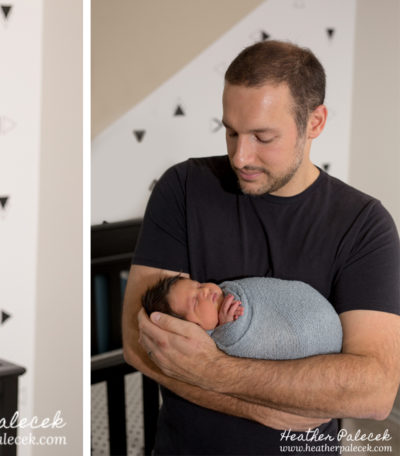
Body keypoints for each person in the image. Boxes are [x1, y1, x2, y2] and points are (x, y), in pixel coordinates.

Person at [121, 39, 400, 454]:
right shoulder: (184, 188)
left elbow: (374, 392)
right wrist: (256, 406)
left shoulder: (364, 225)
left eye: (262, 136)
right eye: (231, 132)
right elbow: (137, 340)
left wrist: (211, 369)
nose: (240, 156)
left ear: (315, 122)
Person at [142, 275, 342, 360]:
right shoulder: (211, 337)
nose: (204, 291)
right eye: (195, 302)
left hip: (313, 312)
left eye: (199, 285)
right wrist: (228, 331)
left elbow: (267, 298)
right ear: (192, 327)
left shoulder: (232, 293)